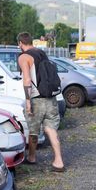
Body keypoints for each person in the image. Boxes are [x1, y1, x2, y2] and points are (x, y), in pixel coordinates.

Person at [16, 32, 64, 172]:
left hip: (36, 99)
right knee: (51, 129)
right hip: (51, 98)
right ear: (31, 41)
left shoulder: (24, 57)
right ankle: (58, 161)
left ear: (20, 43)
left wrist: (28, 100)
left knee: (33, 130)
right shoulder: (42, 53)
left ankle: (31, 157)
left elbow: (27, 79)